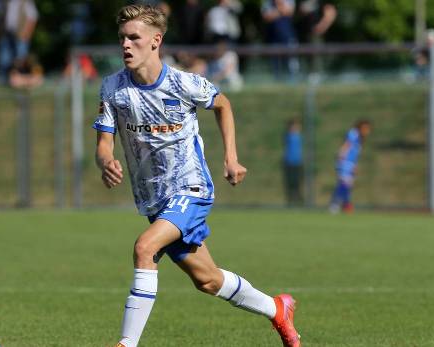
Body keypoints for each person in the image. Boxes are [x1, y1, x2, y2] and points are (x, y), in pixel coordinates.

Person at [92, 5, 300, 347]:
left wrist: (231, 158)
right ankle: (277, 309)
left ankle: (126, 344)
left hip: (191, 187)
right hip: (155, 200)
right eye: (122, 38)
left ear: (156, 40)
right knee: (208, 280)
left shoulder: (182, 83)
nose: (125, 45)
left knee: (145, 248)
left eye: (134, 38)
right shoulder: (113, 88)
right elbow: (103, 144)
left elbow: (223, 104)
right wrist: (106, 161)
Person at [329, 120, 371, 214]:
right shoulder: (353, 133)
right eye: (365, 128)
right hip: (345, 161)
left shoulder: (359, 139)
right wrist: (341, 157)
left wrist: (354, 165)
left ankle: (345, 204)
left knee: (348, 184)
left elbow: (354, 153)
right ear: (360, 127)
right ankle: (335, 204)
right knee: (344, 183)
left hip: (350, 163)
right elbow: (347, 145)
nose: (367, 131)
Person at [0, 0, 39, 83]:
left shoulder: (26, 2)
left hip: (21, 35)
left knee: (20, 59)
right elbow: (0, 18)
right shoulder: (6, 2)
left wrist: (27, 34)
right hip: (7, 34)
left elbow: (33, 18)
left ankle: (22, 80)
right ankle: (5, 80)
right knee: (4, 59)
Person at [262, 0, 299, 79]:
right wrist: (280, 11)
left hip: (288, 36)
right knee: (275, 64)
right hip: (273, 38)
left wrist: (275, 11)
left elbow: (289, 12)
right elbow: (266, 17)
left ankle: (293, 81)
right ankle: (277, 81)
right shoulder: (267, 2)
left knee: (291, 62)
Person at [283, 119, 303, 206]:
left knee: (297, 182)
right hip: (289, 163)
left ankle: (298, 199)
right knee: (290, 183)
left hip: (298, 163)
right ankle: (291, 200)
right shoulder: (288, 136)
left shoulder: (299, 136)